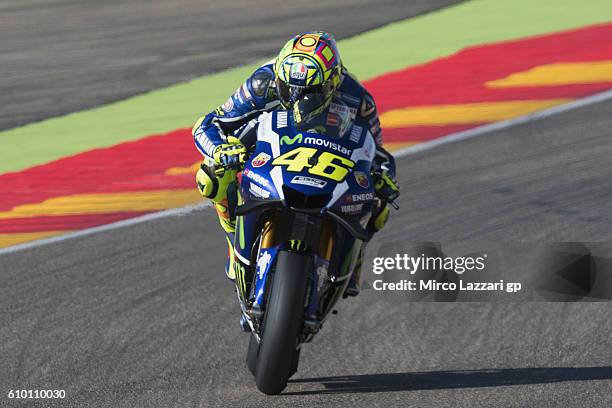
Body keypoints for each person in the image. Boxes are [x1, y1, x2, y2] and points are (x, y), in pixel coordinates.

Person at [193, 31, 399, 297]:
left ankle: (353, 257)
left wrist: (383, 177)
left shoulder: (358, 99)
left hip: (327, 160)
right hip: (268, 149)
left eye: (306, 91)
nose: (294, 96)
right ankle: (234, 238)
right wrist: (222, 148)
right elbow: (208, 124)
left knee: (379, 204)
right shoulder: (261, 83)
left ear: (331, 83)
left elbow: (377, 152)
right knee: (211, 174)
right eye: (287, 86)